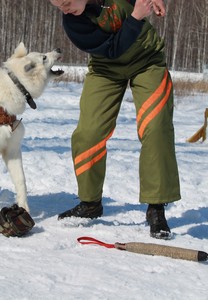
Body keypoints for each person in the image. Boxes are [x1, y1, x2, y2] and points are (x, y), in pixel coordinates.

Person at [49, 0, 181, 239]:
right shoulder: (73, 22)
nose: (65, 9)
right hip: (105, 68)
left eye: (66, 3)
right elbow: (112, 50)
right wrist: (135, 18)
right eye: (59, 6)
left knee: (156, 126)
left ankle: (156, 208)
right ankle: (90, 203)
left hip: (147, 62)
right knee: (88, 133)